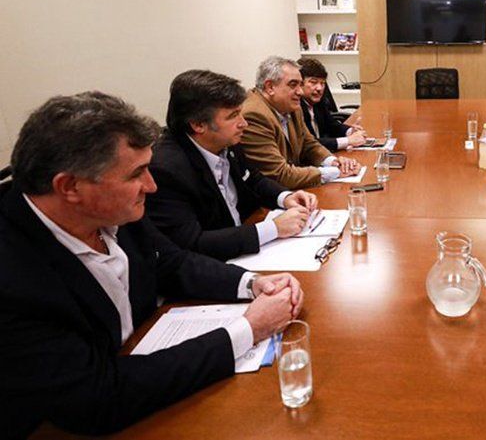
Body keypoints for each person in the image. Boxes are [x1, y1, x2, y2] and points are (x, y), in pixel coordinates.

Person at [0, 92, 304, 437]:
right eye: (136, 174)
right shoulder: (13, 275)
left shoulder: (111, 210)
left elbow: (172, 262)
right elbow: (96, 397)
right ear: (70, 186)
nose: (152, 185)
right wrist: (248, 330)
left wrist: (253, 283)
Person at [147, 70, 318, 261]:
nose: (243, 123)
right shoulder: (166, 170)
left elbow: (253, 179)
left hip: (248, 248)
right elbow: (192, 244)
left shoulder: (226, 141)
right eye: (233, 116)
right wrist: (273, 228)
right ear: (198, 125)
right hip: (218, 264)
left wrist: (285, 197)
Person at [240, 56, 360, 189]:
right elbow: (279, 174)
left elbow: (308, 144)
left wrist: (334, 162)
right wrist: (335, 172)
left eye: (300, 84)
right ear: (270, 87)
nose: (300, 92)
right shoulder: (254, 115)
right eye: (293, 85)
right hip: (271, 196)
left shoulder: (290, 106)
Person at [297, 57, 366, 152]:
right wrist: (348, 141)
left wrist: (350, 131)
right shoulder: (296, 107)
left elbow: (332, 125)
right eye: (313, 82)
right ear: (300, 84)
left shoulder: (318, 102)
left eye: (322, 83)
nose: (319, 88)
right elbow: (309, 143)